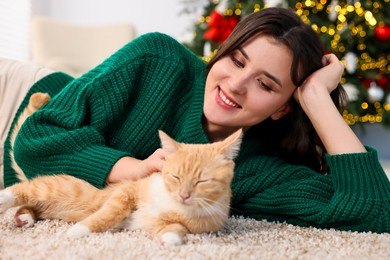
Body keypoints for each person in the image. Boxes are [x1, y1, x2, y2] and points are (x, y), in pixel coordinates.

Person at [1, 7, 389, 233]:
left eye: (265, 85)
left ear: (283, 107)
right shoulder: (158, 58)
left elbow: (377, 212)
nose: (235, 85)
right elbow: (35, 139)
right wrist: (131, 168)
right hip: (17, 99)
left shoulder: (258, 169)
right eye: (236, 61)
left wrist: (318, 100)